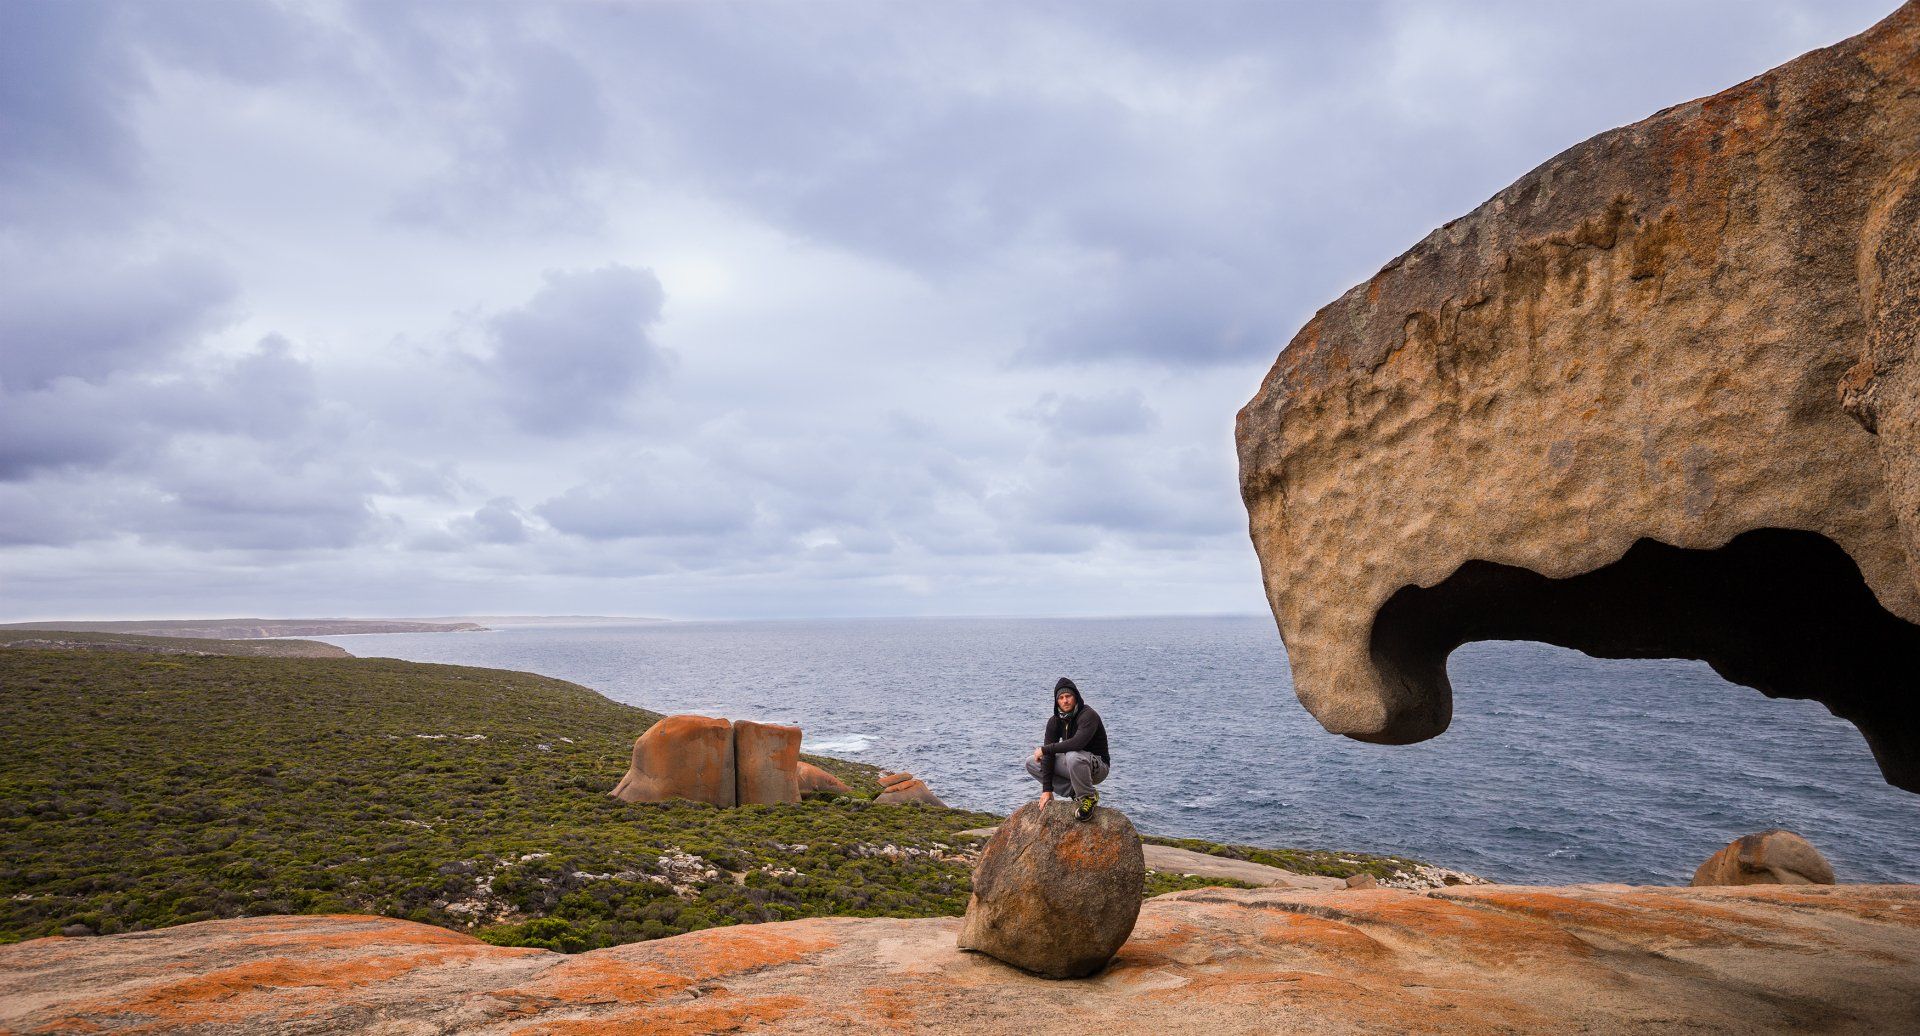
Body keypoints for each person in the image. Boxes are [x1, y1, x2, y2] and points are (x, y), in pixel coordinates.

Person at [1025, 676, 1110, 821]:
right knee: (1032, 762)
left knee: (1072, 755)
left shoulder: (1088, 715)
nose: (1065, 700)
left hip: (1098, 767)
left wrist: (1045, 749)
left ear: (1075, 697)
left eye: (1068, 696)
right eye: (1061, 697)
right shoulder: (1055, 721)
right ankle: (1076, 793)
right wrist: (1047, 790)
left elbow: (1077, 743)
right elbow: (1049, 756)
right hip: (1074, 764)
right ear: (1056, 701)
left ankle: (1088, 797)